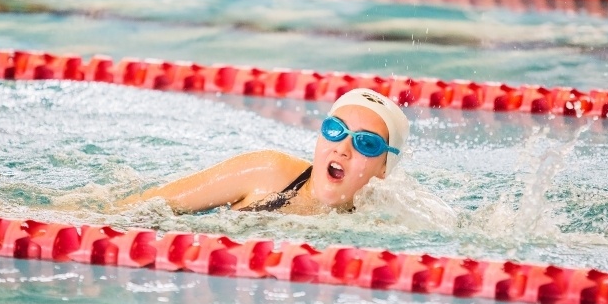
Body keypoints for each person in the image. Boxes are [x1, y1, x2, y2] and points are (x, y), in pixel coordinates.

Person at [118, 88, 410, 215]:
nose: (343, 148)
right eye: (335, 129)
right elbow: (147, 206)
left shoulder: (378, 218)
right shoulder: (267, 172)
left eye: (366, 143)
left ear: (384, 169)